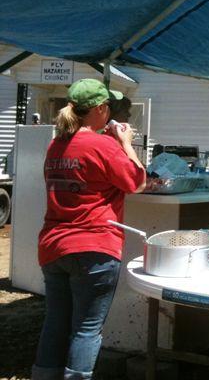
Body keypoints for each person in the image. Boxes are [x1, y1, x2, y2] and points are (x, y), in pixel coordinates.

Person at [33, 79, 146, 380]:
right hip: (94, 247)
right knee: (86, 329)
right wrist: (126, 143)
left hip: (53, 246)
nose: (109, 111)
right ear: (98, 109)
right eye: (107, 106)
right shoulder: (104, 145)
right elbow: (137, 181)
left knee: (55, 323)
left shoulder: (55, 145)